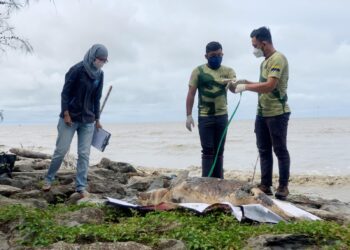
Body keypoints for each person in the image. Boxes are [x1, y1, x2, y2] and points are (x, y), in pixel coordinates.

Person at [231, 27, 291, 200]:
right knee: (263, 149)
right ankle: (266, 184)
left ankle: (283, 186)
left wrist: (245, 87)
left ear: (264, 43)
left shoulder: (278, 59)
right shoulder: (264, 62)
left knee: (279, 149)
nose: (254, 49)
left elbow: (270, 85)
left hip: (277, 112)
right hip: (262, 113)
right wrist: (243, 82)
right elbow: (261, 83)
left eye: (255, 45)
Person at [42, 44, 108, 198]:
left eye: (105, 61)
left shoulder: (100, 74)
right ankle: (48, 179)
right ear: (92, 57)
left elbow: (96, 98)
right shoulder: (76, 70)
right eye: (100, 59)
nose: (102, 63)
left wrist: (97, 119)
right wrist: (66, 113)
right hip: (69, 119)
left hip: (88, 120)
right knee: (61, 151)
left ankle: (81, 186)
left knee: (84, 154)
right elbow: (65, 93)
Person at [186, 41, 236, 179]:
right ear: (206, 56)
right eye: (213, 55)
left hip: (222, 116)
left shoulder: (228, 71)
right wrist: (188, 115)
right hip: (205, 117)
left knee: (219, 151)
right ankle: (206, 181)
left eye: (219, 54)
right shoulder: (198, 71)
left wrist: (234, 84)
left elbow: (233, 90)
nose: (217, 57)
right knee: (208, 151)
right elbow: (191, 93)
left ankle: (218, 180)